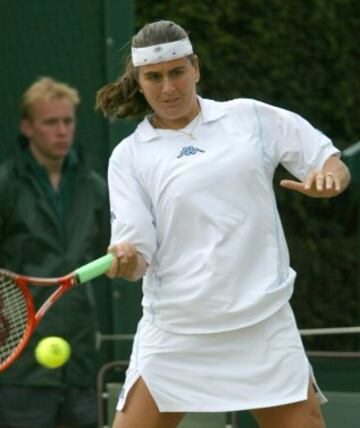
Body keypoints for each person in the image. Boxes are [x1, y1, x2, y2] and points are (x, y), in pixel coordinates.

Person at [96, 20, 351, 428]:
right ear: (139, 81)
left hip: (262, 323)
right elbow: (137, 253)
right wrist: (126, 258)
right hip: (176, 332)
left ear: (196, 67)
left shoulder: (250, 117)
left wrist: (331, 179)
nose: (168, 88)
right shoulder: (128, 157)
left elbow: (328, 161)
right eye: (154, 77)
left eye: (178, 72)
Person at [0, 77, 110, 428]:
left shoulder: (94, 187)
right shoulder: (5, 186)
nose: (62, 131)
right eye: (50, 122)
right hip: (22, 365)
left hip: (80, 356)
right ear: (27, 127)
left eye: (68, 121)